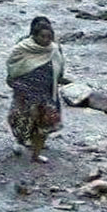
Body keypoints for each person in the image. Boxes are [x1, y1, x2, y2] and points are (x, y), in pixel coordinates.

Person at [6, 16, 65, 163]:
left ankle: (36, 152)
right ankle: (20, 141)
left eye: (49, 36)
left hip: (46, 91)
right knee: (22, 118)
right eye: (42, 36)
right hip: (25, 91)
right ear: (34, 33)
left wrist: (58, 80)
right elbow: (14, 66)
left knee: (44, 122)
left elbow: (60, 65)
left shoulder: (54, 49)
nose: (46, 39)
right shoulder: (23, 47)